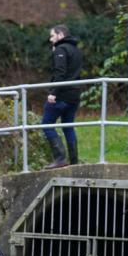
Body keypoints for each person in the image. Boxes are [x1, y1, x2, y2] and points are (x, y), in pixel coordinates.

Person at [43, 24, 83, 169]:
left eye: (52, 35)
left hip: (61, 95)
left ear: (60, 35)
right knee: (68, 127)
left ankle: (60, 159)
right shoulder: (76, 50)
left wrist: (53, 92)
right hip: (74, 95)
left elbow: (60, 73)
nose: (50, 39)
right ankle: (74, 161)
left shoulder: (61, 49)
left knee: (47, 125)